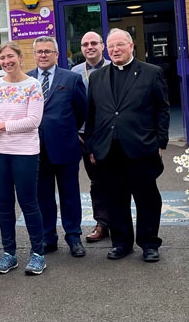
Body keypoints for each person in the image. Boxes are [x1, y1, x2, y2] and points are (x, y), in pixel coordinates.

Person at [85, 28, 170, 262]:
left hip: (141, 147)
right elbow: (91, 115)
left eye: (120, 45)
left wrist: (161, 141)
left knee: (147, 199)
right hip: (108, 149)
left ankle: (149, 243)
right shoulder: (97, 77)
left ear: (131, 46)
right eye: (111, 46)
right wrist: (91, 146)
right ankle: (121, 243)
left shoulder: (151, 73)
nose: (115, 50)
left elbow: (162, 109)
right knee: (115, 199)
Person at [0, 41, 45, 276]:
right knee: (4, 204)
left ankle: (38, 254)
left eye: (10, 57)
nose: (6, 62)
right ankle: (9, 254)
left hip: (25, 152)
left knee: (28, 203)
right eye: (2, 58)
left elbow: (33, 121)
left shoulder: (33, 85)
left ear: (20, 57)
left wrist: (1, 126)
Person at [28, 36, 87, 258]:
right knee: (43, 196)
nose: (43, 55)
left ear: (57, 55)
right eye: (39, 51)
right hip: (35, 150)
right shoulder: (27, 80)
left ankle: (73, 237)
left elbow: (82, 111)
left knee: (69, 195)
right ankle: (48, 237)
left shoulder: (71, 78)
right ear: (34, 55)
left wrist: (65, 130)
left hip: (65, 147)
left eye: (48, 51)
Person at [71, 31, 111, 243]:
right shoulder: (76, 72)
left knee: (114, 180)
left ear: (102, 46)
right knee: (96, 181)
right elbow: (70, 104)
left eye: (94, 43)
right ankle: (102, 223)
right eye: (85, 44)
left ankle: (118, 223)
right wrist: (76, 130)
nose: (89, 47)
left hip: (108, 134)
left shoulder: (112, 68)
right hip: (83, 136)